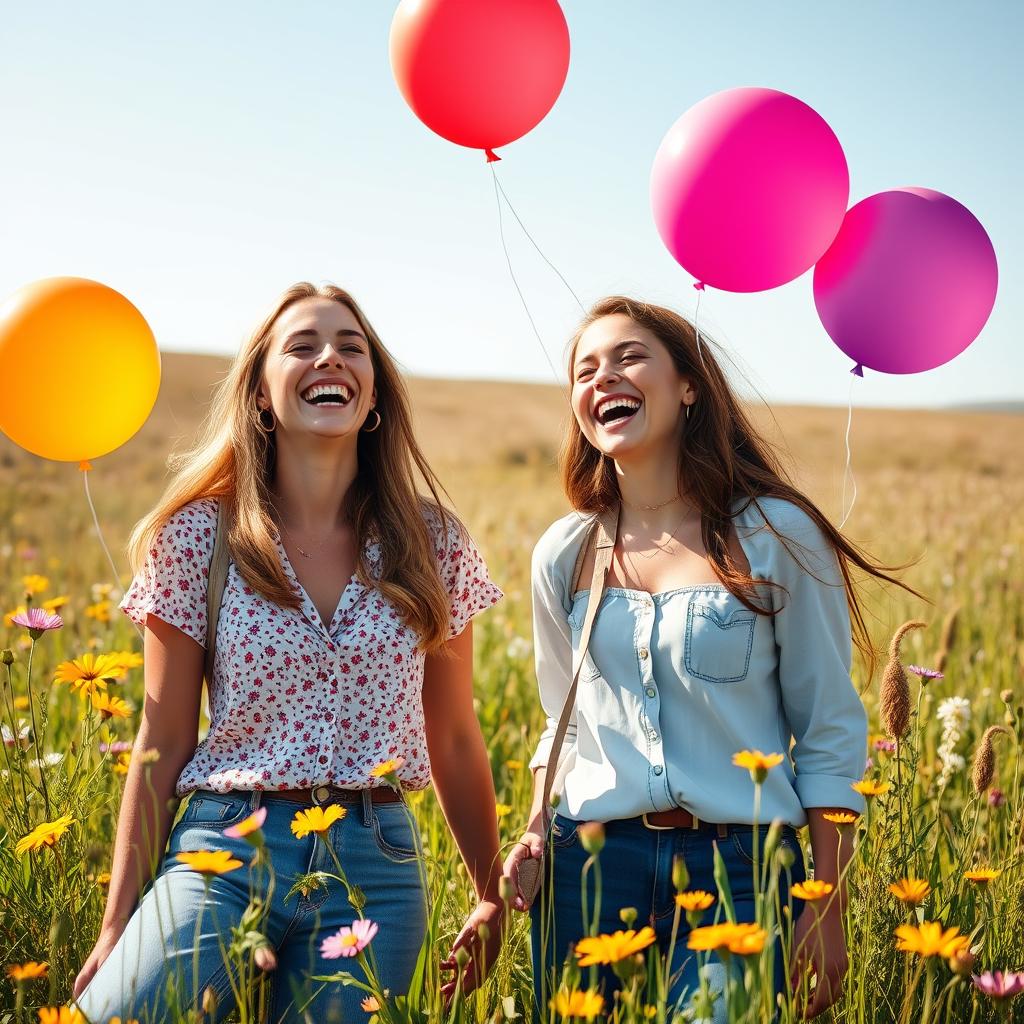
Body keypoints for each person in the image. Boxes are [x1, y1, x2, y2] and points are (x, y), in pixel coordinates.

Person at [72, 283, 506, 1023]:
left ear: (372, 399)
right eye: (302, 345)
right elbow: (162, 740)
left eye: (351, 346)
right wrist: (118, 922)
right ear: (263, 394)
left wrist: (491, 893)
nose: (329, 357)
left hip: (377, 865)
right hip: (224, 850)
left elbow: (456, 737)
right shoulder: (195, 539)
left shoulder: (435, 545)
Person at [503, 296, 921, 1023]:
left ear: (689, 385)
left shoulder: (776, 535)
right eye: (585, 369)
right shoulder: (564, 552)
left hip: (741, 869)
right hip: (589, 873)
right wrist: (537, 824)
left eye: (630, 357)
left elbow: (826, 731)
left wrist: (827, 906)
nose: (605, 378)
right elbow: (562, 724)